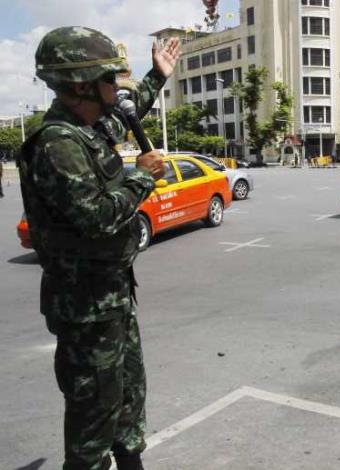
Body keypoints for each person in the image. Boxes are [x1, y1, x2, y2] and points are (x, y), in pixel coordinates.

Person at [17, 27, 179, 470]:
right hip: (85, 306)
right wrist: (142, 176)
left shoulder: (85, 129)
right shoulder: (58, 144)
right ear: (84, 85)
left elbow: (126, 112)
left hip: (110, 297)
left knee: (127, 397)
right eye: (110, 80)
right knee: (93, 419)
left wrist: (157, 75)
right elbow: (98, 217)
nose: (117, 89)